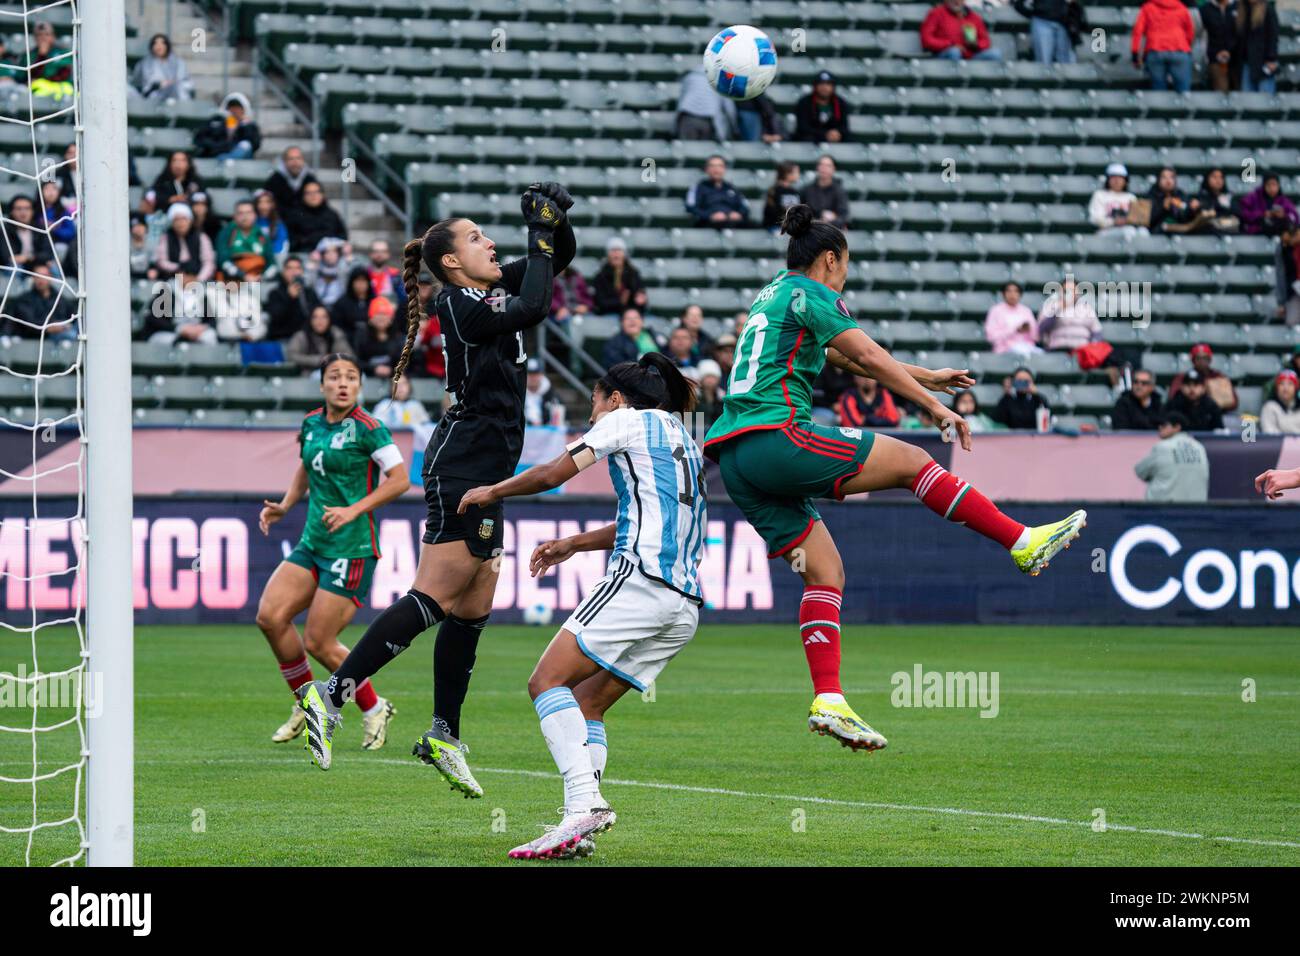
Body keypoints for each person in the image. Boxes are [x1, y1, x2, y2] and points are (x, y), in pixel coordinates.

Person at [703, 204, 1085, 752]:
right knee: (910, 461)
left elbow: (842, 357)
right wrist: (933, 405)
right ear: (830, 259)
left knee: (826, 573)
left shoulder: (772, 295)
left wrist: (926, 374)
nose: (846, 276)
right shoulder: (816, 294)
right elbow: (863, 352)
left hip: (738, 458)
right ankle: (1021, 541)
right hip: (778, 434)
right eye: (846, 265)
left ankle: (828, 699)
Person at [298, 182, 577, 796]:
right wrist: (539, 231)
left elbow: (555, 262)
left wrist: (554, 222)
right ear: (451, 261)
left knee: (474, 605)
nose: (491, 242)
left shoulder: (495, 288)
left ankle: (444, 734)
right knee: (436, 594)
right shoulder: (456, 302)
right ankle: (331, 697)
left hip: (488, 469)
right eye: (477, 237)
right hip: (464, 466)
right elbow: (533, 305)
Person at [454, 353, 703, 860]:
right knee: (587, 702)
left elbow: (553, 473)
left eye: (594, 399)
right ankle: (579, 825)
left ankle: (584, 805)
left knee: (545, 681)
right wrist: (576, 543)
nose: (591, 410)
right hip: (683, 604)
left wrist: (493, 491)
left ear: (614, 398)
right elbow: (651, 517)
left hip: (641, 582)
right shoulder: (684, 441)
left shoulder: (626, 421)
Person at [256, 354, 407, 749]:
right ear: (322, 384)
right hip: (314, 542)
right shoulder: (310, 423)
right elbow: (308, 464)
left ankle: (374, 707)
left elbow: (400, 480)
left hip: (353, 547)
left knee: (319, 641)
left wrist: (354, 509)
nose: (343, 383)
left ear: (359, 386)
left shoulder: (370, 429)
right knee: (270, 618)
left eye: (351, 377)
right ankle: (309, 705)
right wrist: (287, 504)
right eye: (335, 377)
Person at [1134, 412, 1209, 502]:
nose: (1160, 428)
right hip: (1196, 509)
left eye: (1164, 425)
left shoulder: (1163, 447)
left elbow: (1140, 471)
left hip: (1165, 510)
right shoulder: (1199, 447)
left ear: (1177, 427)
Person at [1132, 0, 1195, 93]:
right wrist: (1186, 46)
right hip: (1180, 50)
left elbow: (1137, 31)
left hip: (1155, 50)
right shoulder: (1181, 7)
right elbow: (1190, 32)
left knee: (1158, 91)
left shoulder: (1147, 8)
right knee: (1183, 91)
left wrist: (1135, 54)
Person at [920, 0, 1004, 60]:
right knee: (954, 52)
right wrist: (950, 44)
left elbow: (986, 41)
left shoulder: (973, 16)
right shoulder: (936, 13)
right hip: (945, 54)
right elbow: (926, 40)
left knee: (995, 54)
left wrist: (975, 44)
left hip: (970, 55)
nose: (957, 1)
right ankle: (954, 84)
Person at [11, 263, 75, 341]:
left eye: (44, 276)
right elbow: (29, 323)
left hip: (60, 333)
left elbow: (71, 316)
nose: (41, 279)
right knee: (70, 335)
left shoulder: (59, 298)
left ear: (50, 277)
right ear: (33, 278)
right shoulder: (25, 299)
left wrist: (62, 326)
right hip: (35, 338)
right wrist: (48, 328)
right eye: (38, 276)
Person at [153, 203, 214, 283]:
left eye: (184, 219)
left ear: (190, 221)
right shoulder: (165, 238)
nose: (180, 223)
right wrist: (178, 268)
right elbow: (161, 261)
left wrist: (198, 280)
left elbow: (208, 263)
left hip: (198, 279)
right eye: (176, 219)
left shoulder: (201, 237)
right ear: (171, 222)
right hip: (173, 278)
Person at [1037, 276, 1101, 352]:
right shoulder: (1051, 306)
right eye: (1066, 291)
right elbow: (1041, 329)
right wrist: (1058, 311)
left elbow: (1097, 331)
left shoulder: (1087, 308)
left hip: (1082, 351)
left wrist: (1092, 347)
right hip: (1057, 349)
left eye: (1072, 290)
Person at [265, 256, 321, 341]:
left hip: (308, 338)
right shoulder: (275, 293)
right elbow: (276, 318)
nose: (294, 272)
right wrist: (289, 298)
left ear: (302, 272)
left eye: (297, 268)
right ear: (283, 272)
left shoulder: (309, 293)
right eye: (289, 268)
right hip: (284, 338)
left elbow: (317, 312)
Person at [685, 155, 751, 227]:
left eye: (720, 166)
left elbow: (745, 206)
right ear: (706, 169)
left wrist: (738, 214)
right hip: (709, 224)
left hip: (733, 223)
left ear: (724, 169)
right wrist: (710, 216)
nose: (716, 169)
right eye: (712, 166)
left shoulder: (732, 188)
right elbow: (691, 207)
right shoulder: (698, 188)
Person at [193, 92, 261, 161]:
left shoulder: (249, 126)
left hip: (238, 159)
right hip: (215, 154)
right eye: (231, 107)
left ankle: (227, 160)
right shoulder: (216, 121)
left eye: (238, 107)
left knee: (245, 145)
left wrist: (244, 126)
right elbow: (199, 138)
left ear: (244, 110)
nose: (234, 110)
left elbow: (255, 145)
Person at [1169, 343, 1238, 411]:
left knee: (1239, 420)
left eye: (1205, 358)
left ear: (1210, 360)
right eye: (1198, 358)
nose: (1202, 361)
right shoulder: (1183, 377)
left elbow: (1234, 402)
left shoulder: (1219, 377)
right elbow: (1173, 398)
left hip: (1217, 413)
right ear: (1193, 360)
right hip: (1189, 412)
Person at [215, 199, 271, 283]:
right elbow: (222, 260)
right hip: (232, 280)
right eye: (241, 213)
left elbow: (272, 263)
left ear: (255, 215)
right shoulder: (227, 233)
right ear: (235, 216)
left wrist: (262, 277)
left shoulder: (261, 234)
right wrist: (242, 275)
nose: (245, 217)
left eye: (248, 212)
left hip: (258, 280)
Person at [1014, 0, 1087, 64]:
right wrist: (1036, 14)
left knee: (1066, 63)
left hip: (1064, 23)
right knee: (1044, 63)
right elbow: (1019, 5)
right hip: (1043, 21)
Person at [674, 65, 735, 141]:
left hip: (688, 117)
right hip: (706, 119)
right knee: (703, 150)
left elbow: (681, 100)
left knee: (687, 150)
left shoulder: (690, 76)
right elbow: (729, 107)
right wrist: (734, 127)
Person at [286, 181, 348, 253]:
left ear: (323, 194)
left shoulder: (332, 215)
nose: (313, 196)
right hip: (304, 255)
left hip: (330, 256)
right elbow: (292, 241)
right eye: (308, 193)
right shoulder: (295, 216)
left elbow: (343, 236)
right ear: (303, 196)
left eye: (316, 192)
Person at [590, 238, 647, 316]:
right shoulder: (600, 277)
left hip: (629, 313)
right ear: (608, 254)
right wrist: (619, 302)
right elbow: (600, 302)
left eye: (619, 250)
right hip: (608, 314)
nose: (616, 254)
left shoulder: (633, 274)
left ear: (624, 254)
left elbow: (640, 294)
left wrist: (641, 300)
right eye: (613, 250)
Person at [286, 305, 352, 373]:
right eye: (315, 317)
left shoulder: (335, 334)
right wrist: (318, 360)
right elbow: (291, 356)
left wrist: (333, 359)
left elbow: (349, 356)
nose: (320, 321)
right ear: (310, 320)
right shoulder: (301, 336)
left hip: (334, 375)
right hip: (307, 376)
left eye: (324, 317)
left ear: (329, 319)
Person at [130, 32, 193, 101]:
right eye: (156, 43)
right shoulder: (144, 63)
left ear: (167, 45)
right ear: (152, 46)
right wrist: (158, 85)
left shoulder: (178, 63)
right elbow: (140, 84)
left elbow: (186, 82)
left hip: (175, 94)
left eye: (162, 43)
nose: (159, 46)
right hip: (154, 95)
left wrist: (171, 83)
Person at [353, 296, 405, 379]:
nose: (381, 318)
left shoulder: (398, 337)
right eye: (377, 314)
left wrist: (391, 370)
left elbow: (403, 361)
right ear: (370, 319)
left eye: (385, 314)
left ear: (391, 319)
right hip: (366, 377)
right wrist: (374, 368)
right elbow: (356, 360)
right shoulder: (361, 336)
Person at [792, 71, 850, 143]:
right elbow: (802, 128)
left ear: (833, 87)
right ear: (815, 86)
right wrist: (825, 134)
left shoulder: (840, 103)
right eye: (821, 84)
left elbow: (844, 127)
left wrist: (837, 133)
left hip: (834, 138)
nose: (824, 87)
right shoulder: (804, 102)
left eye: (828, 84)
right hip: (812, 138)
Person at [984, 281, 1040, 355]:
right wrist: (1014, 330)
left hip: (1027, 347)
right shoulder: (996, 311)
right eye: (1009, 291)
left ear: (1020, 295)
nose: (1012, 294)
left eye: (1016, 291)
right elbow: (991, 337)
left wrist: (1029, 329)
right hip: (1004, 349)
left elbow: (1036, 336)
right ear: (1003, 294)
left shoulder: (1026, 311)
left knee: (1042, 356)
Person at [1088, 163, 1142, 239]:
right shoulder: (1100, 195)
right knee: (1129, 231)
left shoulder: (1131, 197)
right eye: (1113, 177)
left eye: (1120, 177)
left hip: (1128, 228)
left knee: (1143, 232)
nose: (1117, 181)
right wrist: (1114, 221)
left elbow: (1138, 219)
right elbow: (1095, 218)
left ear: (1125, 181)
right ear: (1108, 180)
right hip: (1106, 232)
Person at [1236, 0, 1280, 94]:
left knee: (1265, 98)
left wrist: (1271, 58)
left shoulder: (1268, 10)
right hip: (1247, 63)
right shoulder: (1242, 11)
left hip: (1264, 62)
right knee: (1248, 99)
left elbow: (1273, 36)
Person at [143, 150, 203, 214]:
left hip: (189, 210)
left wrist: (189, 199)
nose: (178, 163)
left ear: (188, 164)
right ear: (170, 164)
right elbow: (153, 193)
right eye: (175, 160)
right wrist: (171, 199)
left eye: (182, 160)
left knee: (200, 208)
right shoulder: (163, 179)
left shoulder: (195, 180)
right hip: (167, 210)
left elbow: (204, 196)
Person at [800, 155, 851, 230]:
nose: (824, 168)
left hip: (833, 230)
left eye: (828, 166)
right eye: (821, 165)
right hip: (811, 230)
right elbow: (802, 214)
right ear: (817, 167)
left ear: (834, 169)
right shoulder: (806, 190)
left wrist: (833, 219)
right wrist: (819, 221)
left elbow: (843, 215)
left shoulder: (840, 191)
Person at [264, 146, 319, 215]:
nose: (295, 162)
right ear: (284, 162)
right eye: (291, 159)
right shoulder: (274, 180)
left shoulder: (311, 179)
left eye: (298, 158)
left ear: (303, 161)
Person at [1200, 0, 1239, 91]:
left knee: (1241, 95)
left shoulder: (1239, 7)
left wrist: (1229, 50)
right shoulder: (1205, 10)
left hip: (1238, 59)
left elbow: (1242, 34)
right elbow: (1201, 36)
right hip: (1215, 59)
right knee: (1220, 94)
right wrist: (1213, 54)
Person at [836, 375, 901, 428]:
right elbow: (852, 424)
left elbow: (893, 421)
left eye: (870, 376)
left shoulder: (884, 394)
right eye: (862, 376)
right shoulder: (848, 396)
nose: (866, 379)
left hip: (882, 436)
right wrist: (879, 420)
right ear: (855, 378)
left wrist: (867, 419)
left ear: (876, 380)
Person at [1147, 167, 1196, 234]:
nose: (1168, 181)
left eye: (1171, 177)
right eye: (1164, 177)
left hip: (1179, 231)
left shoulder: (1181, 195)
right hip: (1157, 231)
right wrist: (1162, 208)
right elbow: (1148, 220)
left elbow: (1186, 218)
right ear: (1158, 180)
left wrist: (1192, 209)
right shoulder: (1151, 195)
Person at [1194, 167, 1239, 234]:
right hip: (1207, 231)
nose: (1218, 180)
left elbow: (1237, 212)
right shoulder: (1201, 196)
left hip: (1227, 228)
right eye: (1214, 177)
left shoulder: (1228, 196)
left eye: (1221, 177)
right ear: (1207, 179)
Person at [366, 239, 406, 308]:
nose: (379, 254)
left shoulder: (395, 275)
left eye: (383, 251)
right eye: (376, 251)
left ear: (388, 254)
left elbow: (403, 300)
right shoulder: (363, 275)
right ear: (370, 254)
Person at [763, 162, 802, 231]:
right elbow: (770, 213)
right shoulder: (774, 191)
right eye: (796, 172)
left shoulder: (795, 192)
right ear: (787, 174)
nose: (798, 175)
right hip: (776, 226)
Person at [523, 357, 562, 426]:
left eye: (535, 374)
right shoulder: (517, 395)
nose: (533, 377)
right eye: (529, 374)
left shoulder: (552, 395)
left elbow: (559, 421)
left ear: (541, 375)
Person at [254, 189, 290, 262]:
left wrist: (272, 255)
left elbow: (282, 241)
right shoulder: (253, 222)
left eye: (267, 202)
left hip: (274, 257)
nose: (263, 206)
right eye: (260, 202)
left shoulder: (278, 223)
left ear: (273, 204)